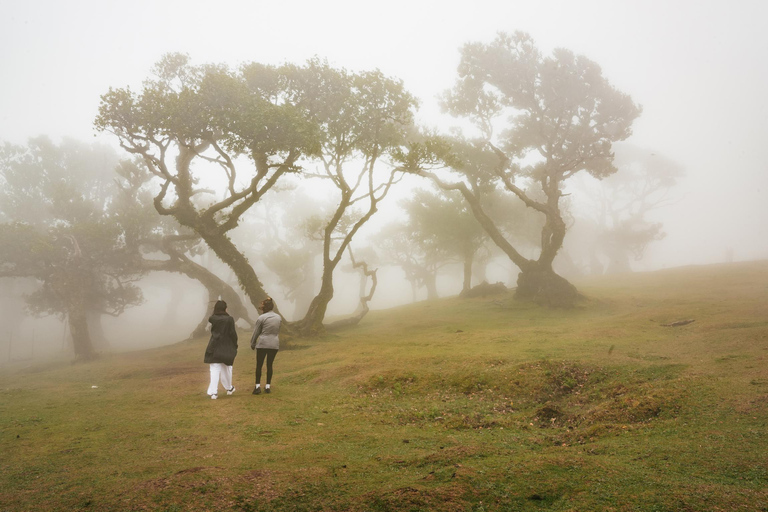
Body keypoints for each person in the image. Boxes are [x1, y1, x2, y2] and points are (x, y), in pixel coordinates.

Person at [204, 300, 238, 400]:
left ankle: (214, 393)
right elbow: (232, 333)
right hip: (226, 346)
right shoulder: (229, 319)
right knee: (227, 369)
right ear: (225, 308)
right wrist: (235, 344)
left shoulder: (212, 318)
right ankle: (229, 388)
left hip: (214, 346)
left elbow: (212, 317)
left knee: (214, 370)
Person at [250, 297, 281, 395]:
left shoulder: (261, 318)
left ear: (265, 308)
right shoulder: (278, 317)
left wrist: (253, 343)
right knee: (269, 365)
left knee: (259, 365)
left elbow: (256, 332)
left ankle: (257, 387)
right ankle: (268, 386)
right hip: (274, 343)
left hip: (263, 343)